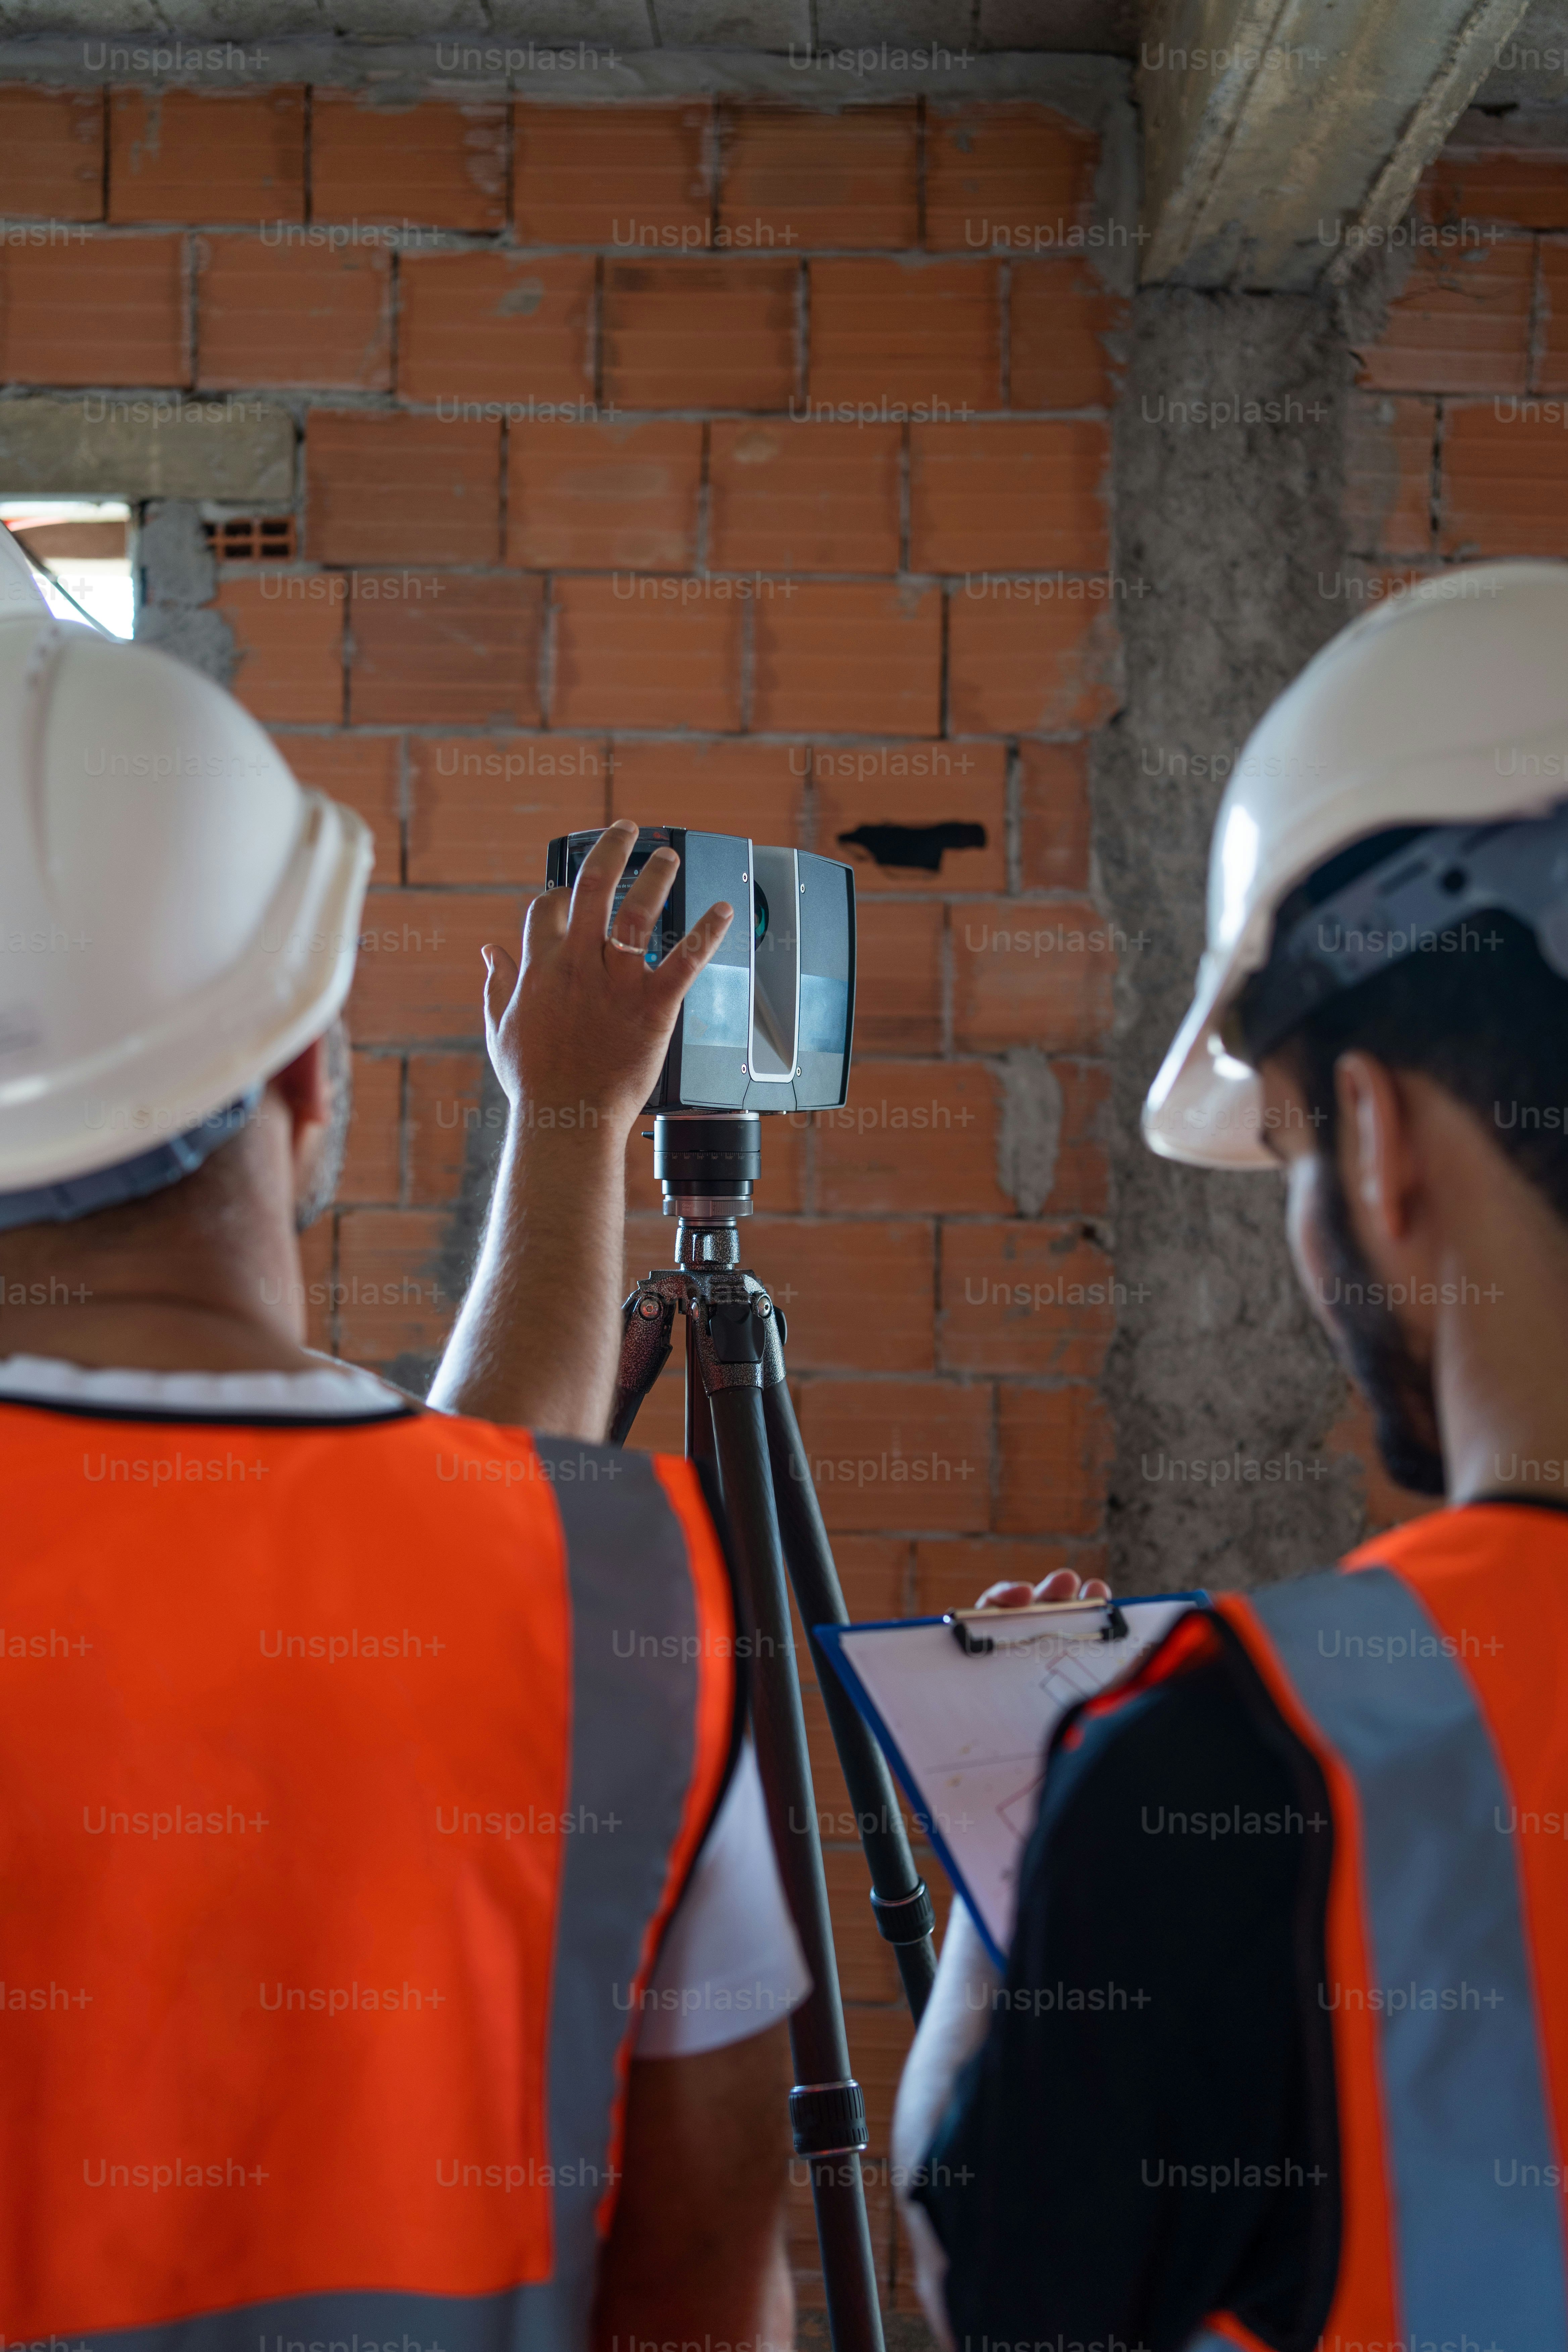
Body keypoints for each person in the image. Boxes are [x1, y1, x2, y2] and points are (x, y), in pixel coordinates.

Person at [0, 529, 806, 2350]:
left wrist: (579, 1127)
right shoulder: (620, 1587)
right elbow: (702, 2283)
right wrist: (576, 1121)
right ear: (307, 1082)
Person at [893, 559, 1568, 2352]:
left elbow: (1002, 2297)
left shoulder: (1257, 1761)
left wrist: (1031, 1866)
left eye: (1282, 1146)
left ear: (1372, 1135)